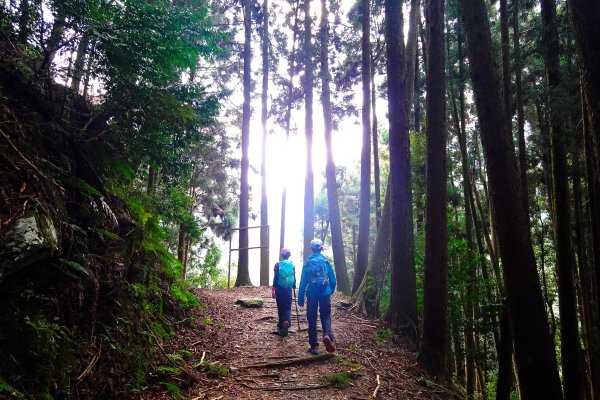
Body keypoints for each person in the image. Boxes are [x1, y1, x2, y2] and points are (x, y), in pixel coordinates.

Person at [297, 238, 337, 354]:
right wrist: (331, 290)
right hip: (325, 293)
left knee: (312, 318)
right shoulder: (325, 261)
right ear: (321, 248)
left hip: (311, 294)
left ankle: (314, 346)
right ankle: (327, 335)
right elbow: (333, 279)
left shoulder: (307, 262)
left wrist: (301, 298)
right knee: (325, 316)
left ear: (311, 248)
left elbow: (303, 281)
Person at [272, 247, 296, 337]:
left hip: (279, 288)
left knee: (280, 307)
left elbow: (276, 278)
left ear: (282, 255)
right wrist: (294, 286)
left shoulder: (277, 265)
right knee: (287, 307)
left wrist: (273, 289)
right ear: (289, 255)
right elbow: (294, 277)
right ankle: (286, 322)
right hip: (288, 289)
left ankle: (282, 324)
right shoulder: (292, 265)